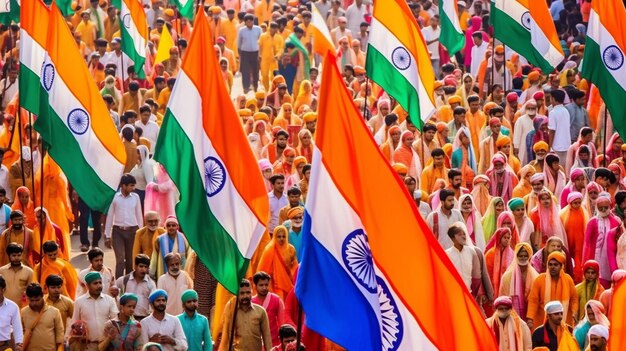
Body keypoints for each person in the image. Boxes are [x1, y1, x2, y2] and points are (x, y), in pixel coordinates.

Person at [526, 251, 578, 330]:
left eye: (555, 265)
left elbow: (574, 299)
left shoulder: (568, 280)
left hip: (564, 319)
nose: (552, 267)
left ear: (561, 266)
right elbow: (533, 300)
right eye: (550, 264)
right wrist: (530, 318)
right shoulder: (540, 279)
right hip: (542, 320)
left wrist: (575, 312)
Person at [105, 174, 144, 277]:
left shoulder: (136, 197)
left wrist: (141, 232)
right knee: (120, 259)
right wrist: (107, 235)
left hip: (133, 232)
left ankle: (129, 284)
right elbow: (110, 215)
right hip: (118, 232)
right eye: (131, 185)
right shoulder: (114, 197)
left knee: (130, 260)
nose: (133, 188)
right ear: (123, 185)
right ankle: (118, 284)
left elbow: (139, 215)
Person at [219, 279, 272, 351]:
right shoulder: (231, 311)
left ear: (252, 292)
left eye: (248, 293)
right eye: (242, 293)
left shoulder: (261, 312)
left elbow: (267, 340)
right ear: (237, 294)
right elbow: (225, 337)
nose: (245, 296)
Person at [72, 272, 119, 350]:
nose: (99, 286)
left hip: (107, 345)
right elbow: (75, 323)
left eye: (100, 282)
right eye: (95, 283)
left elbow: (116, 321)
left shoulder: (110, 300)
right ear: (87, 286)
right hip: (88, 346)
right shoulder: (79, 302)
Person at [583, 195, 620, 287]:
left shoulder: (616, 221)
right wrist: (585, 259)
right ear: (597, 208)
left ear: (610, 206)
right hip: (595, 255)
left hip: (611, 255)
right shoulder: (592, 222)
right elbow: (586, 242)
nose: (603, 210)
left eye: (606, 207)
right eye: (600, 208)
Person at [499, 242, 539, 321]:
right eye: (520, 256)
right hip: (512, 313)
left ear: (529, 257)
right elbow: (503, 296)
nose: (523, 258)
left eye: (525, 256)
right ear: (516, 257)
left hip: (531, 314)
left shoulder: (535, 276)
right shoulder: (507, 276)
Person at [258, 226, 298, 301]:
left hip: (289, 284)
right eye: (279, 236)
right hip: (274, 285)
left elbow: (295, 267)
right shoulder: (269, 250)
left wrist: (292, 279)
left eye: (284, 236)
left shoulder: (291, 249)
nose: (281, 239)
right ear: (274, 236)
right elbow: (263, 270)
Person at [21, 283, 64, 351]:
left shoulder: (55, 312)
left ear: (42, 296)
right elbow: (19, 334)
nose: (34, 303)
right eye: (31, 300)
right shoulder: (23, 312)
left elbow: (59, 335)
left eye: (37, 300)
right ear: (27, 298)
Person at [445, 222, 481, 297]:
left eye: (464, 234)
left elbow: (476, 274)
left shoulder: (471, 252)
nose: (463, 236)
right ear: (453, 238)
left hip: (469, 294)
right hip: (453, 294)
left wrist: (475, 293)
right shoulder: (447, 254)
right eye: (459, 234)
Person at [115, 254, 156, 321]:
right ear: (135, 266)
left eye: (146, 267)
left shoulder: (151, 284)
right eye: (141, 266)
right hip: (126, 319)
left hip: (143, 319)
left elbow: (153, 302)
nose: (143, 269)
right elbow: (113, 292)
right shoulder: (124, 280)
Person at [252, 271, 287, 347]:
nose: (264, 288)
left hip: (274, 343)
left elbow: (282, 323)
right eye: (261, 285)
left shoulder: (277, 300)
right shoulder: (251, 302)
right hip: (255, 343)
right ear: (255, 286)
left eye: (266, 285)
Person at [560, 192, 588, 283]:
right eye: (575, 203)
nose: (577, 205)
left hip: (580, 241)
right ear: (570, 203)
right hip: (568, 240)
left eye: (579, 203)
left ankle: (578, 279)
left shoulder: (583, 212)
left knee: (578, 261)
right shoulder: (563, 214)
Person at [0, 243, 33, 307]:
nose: (16, 258)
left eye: (19, 255)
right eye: (14, 255)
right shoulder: (1, 271)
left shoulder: (29, 272)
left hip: (22, 307)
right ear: (9, 256)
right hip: (4, 306)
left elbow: (31, 292)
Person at [485, 228, 514, 296]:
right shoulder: (490, 254)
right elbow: (487, 274)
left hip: (506, 287)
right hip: (491, 287)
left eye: (508, 237)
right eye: (504, 237)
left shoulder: (512, 254)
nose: (507, 239)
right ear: (499, 238)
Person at [238, 14, 262, 93]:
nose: (249, 22)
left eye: (251, 21)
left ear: (253, 21)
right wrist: (239, 52)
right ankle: (245, 87)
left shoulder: (258, 29)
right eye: (247, 21)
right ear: (245, 22)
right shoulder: (241, 30)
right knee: (245, 71)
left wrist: (260, 53)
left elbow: (261, 41)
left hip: (255, 52)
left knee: (255, 71)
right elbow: (239, 42)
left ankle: (255, 86)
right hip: (245, 52)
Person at [0, 275, 23, 351]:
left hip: (5, 346)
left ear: (3, 289)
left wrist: (19, 344)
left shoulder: (13, 306)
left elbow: (17, 328)